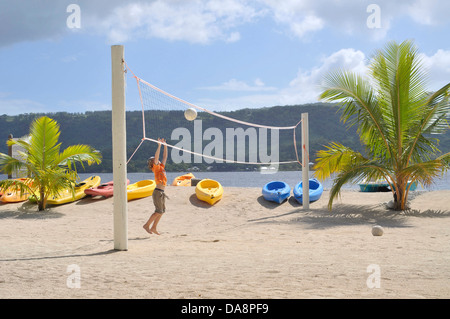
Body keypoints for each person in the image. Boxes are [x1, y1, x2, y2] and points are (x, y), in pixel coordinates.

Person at [143, 138, 168, 235]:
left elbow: (164, 157)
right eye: (154, 159)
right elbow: (157, 157)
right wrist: (159, 145)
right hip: (157, 192)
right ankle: (146, 225)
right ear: (152, 162)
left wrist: (165, 146)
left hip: (161, 192)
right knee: (158, 211)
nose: (156, 159)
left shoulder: (161, 167)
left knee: (162, 211)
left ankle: (153, 227)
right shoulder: (155, 167)